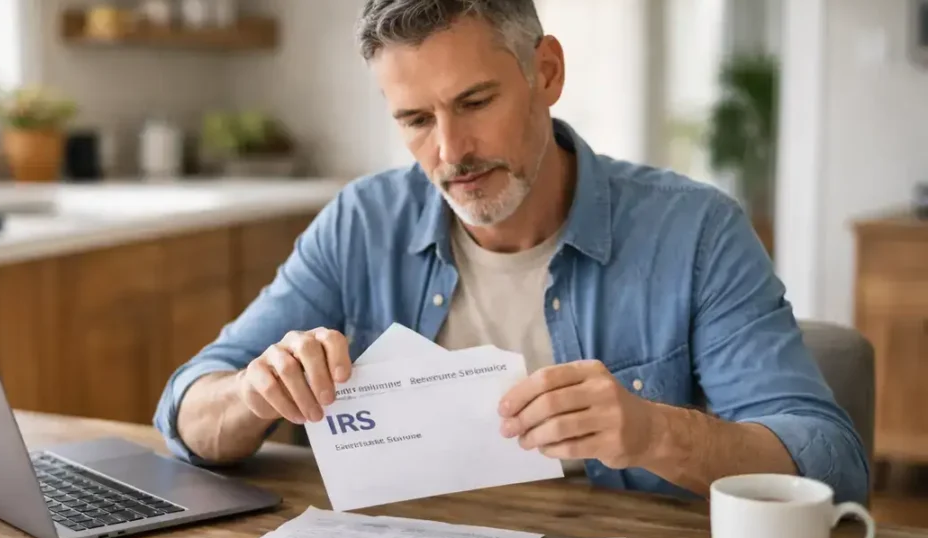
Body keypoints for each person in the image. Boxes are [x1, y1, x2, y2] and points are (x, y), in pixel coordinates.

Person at [154, 0, 869, 505]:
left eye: (475, 102)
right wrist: (253, 393)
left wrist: (656, 432)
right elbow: (187, 407)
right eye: (414, 119)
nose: (450, 151)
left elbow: (831, 464)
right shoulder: (361, 223)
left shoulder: (697, 232)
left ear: (546, 73)